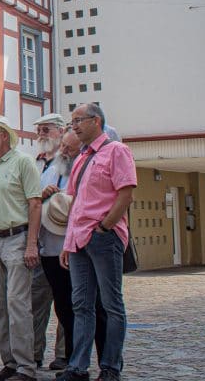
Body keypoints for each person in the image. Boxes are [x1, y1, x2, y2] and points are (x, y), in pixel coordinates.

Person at [57, 104, 136, 381]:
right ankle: (77, 367)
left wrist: (104, 227)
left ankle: (111, 367)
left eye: (78, 121)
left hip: (103, 237)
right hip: (78, 240)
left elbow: (125, 194)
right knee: (81, 305)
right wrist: (68, 243)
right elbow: (75, 204)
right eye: (71, 122)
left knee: (112, 304)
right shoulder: (80, 158)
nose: (74, 126)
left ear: (96, 121)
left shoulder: (117, 151)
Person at [0, 114, 42, 381]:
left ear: (5, 135)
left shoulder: (23, 162)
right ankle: (10, 363)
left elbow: (35, 204)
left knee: (18, 304)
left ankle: (26, 367)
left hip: (17, 237)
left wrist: (31, 245)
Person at [40, 130, 81, 371]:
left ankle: (77, 357)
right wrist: (44, 195)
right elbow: (35, 199)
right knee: (62, 304)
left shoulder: (83, 169)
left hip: (75, 246)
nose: (64, 151)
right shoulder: (52, 169)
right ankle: (70, 357)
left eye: (70, 148)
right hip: (50, 247)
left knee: (80, 305)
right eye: (63, 146)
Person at [30, 112, 66, 370]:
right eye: (39, 130)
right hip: (41, 243)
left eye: (46, 129)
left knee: (66, 304)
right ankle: (33, 353)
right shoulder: (36, 164)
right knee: (35, 303)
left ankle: (64, 354)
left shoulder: (69, 162)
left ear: (61, 132)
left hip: (65, 244)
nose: (41, 134)